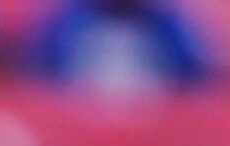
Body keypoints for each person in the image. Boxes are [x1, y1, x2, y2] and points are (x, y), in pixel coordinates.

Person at [30, 0, 218, 94]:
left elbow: (199, 92)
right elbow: (35, 87)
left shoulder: (170, 26)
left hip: (156, 139)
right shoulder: (65, 25)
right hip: (80, 135)